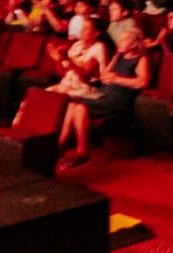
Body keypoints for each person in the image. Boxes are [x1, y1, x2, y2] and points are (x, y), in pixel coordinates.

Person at [56, 29, 152, 169]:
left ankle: (82, 152)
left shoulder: (141, 59)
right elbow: (105, 74)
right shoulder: (118, 56)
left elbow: (143, 82)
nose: (119, 42)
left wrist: (117, 79)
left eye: (124, 40)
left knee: (80, 108)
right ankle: (60, 144)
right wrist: (107, 77)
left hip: (120, 98)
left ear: (133, 44)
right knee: (72, 104)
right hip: (104, 94)